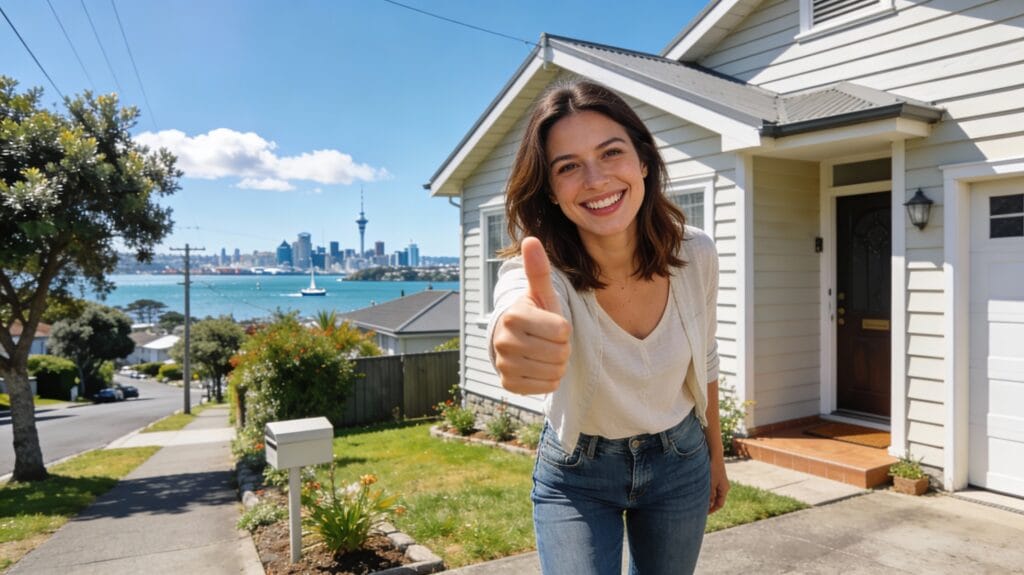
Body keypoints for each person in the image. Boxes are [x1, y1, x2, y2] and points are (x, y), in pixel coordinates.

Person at [487, 79, 729, 575]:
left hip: (680, 459)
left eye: (610, 152)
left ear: (643, 162)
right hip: (577, 473)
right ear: (552, 191)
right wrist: (509, 337)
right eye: (568, 166)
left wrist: (716, 458)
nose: (595, 179)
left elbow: (705, 359)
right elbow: (513, 307)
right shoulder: (542, 273)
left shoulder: (696, 253)